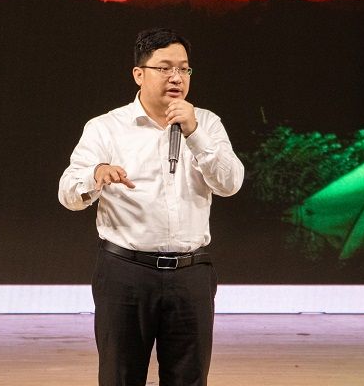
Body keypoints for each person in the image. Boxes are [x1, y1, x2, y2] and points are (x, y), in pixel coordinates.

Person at [58, 28, 244, 386]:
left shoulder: (206, 123)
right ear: (139, 74)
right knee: (120, 377)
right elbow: (67, 192)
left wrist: (195, 133)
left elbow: (230, 183)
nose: (176, 77)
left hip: (191, 274)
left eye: (184, 69)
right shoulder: (106, 128)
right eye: (165, 68)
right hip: (125, 273)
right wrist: (95, 174)